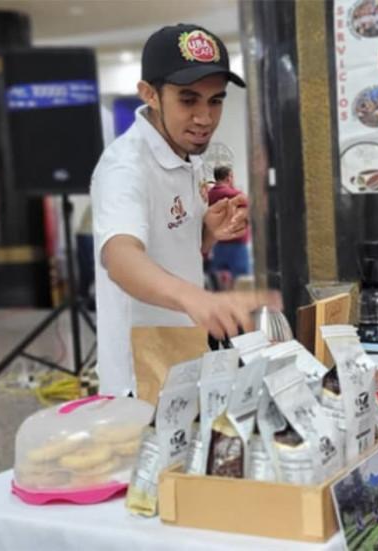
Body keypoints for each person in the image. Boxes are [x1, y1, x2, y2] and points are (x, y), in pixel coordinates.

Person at [91, 24, 274, 396]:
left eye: (215, 100)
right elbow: (120, 257)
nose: (205, 118)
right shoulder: (124, 167)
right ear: (150, 95)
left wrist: (205, 233)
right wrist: (198, 300)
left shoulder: (184, 155)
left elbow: (173, 246)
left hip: (182, 350)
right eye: (188, 100)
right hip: (140, 371)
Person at [207, 165, 251, 281]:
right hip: (237, 246)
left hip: (217, 245)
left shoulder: (209, 195)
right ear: (229, 177)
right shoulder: (236, 194)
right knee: (243, 282)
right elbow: (252, 211)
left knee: (218, 283)